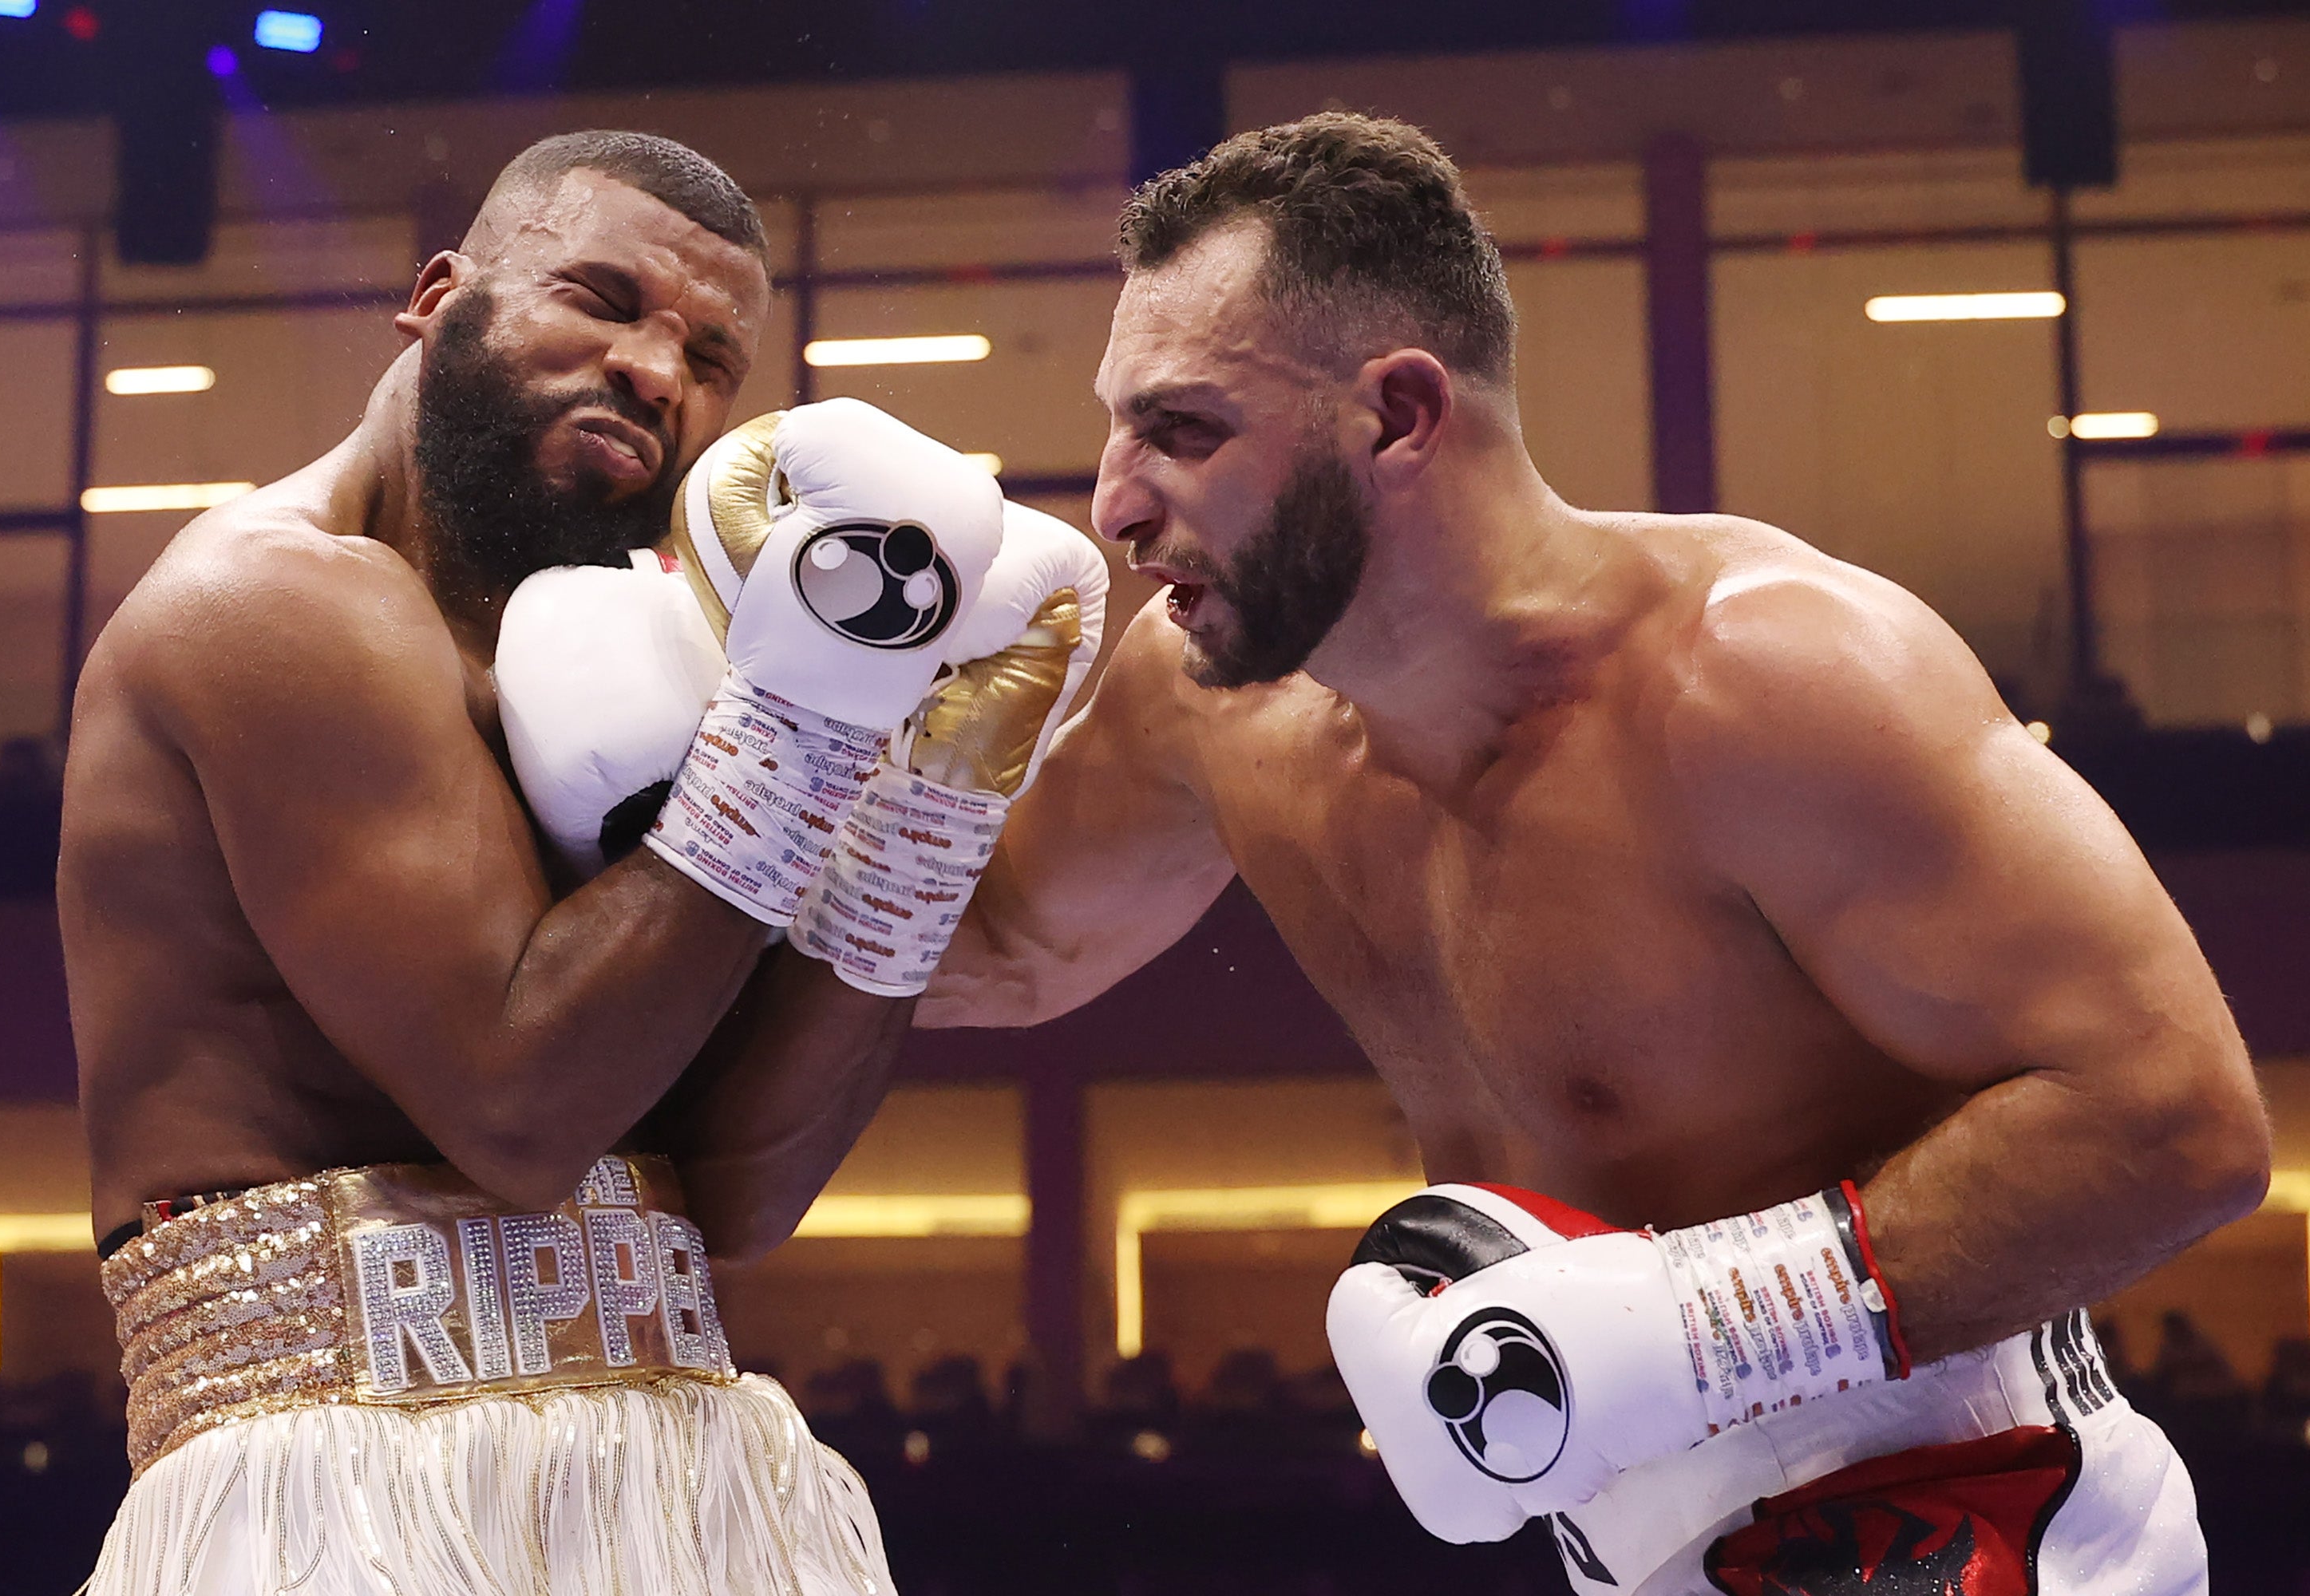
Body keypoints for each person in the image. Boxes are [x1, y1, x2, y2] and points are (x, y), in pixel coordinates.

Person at [919, 113, 2271, 1594]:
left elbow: (2178, 1122)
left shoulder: (1765, 677)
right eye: (1118, 429)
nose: (1111, 503)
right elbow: (986, 948)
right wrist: (777, 759)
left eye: (1182, 430)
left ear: (1400, 416)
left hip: (1984, 1515)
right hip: (1628, 1548)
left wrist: (1692, 1327)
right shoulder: (1207, 707)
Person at [60, 128, 1058, 1596]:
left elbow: (735, 1199)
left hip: (690, 1484)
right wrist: (795, 730)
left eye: (712, 356)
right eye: (599, 297)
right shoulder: (273, 598)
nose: (657, 373)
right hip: (335, 1497)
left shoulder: (651, 677)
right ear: (438, 294)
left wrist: (932, 807)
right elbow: (523, 1114)